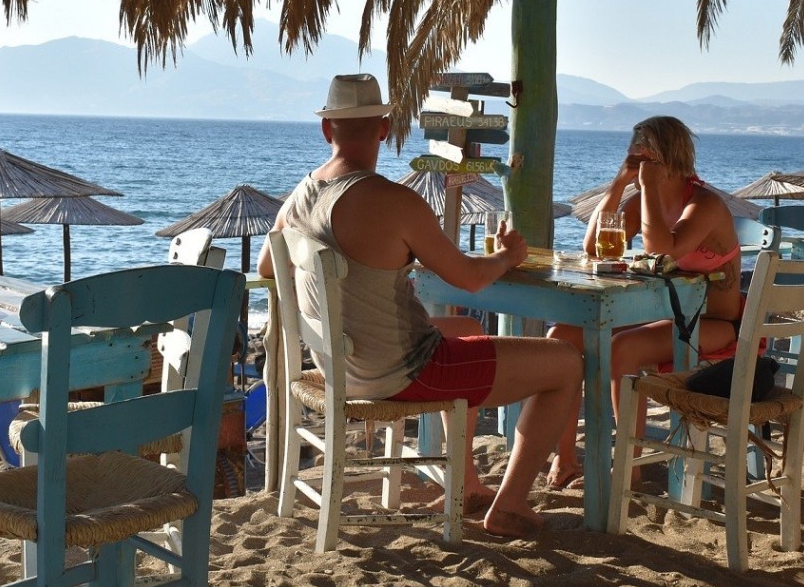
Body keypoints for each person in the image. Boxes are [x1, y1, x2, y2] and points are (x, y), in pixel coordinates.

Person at [257, 73, 582, 538]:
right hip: (405, 371)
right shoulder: (395, 201)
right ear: (385, 128)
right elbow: (470, 278)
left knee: (465, 329)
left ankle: (466, 484)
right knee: (566, 362)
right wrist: (507, 257)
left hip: (340, 367)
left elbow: (268, 266)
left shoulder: (301, 195)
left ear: (327, 129)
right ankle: (510, 506)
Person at [545, 115, 743, 489]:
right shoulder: (643, 199)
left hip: (715, 326)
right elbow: (593, 246)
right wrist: (619, 184)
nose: (635, 159)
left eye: (643, 153)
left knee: (624, 347)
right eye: (632, 151)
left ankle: (629, 468)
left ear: (668, 157)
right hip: (669, 317)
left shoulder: (705, 204)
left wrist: (648, 186)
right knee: (562, 337)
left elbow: (659, 249)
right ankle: (565, 458)